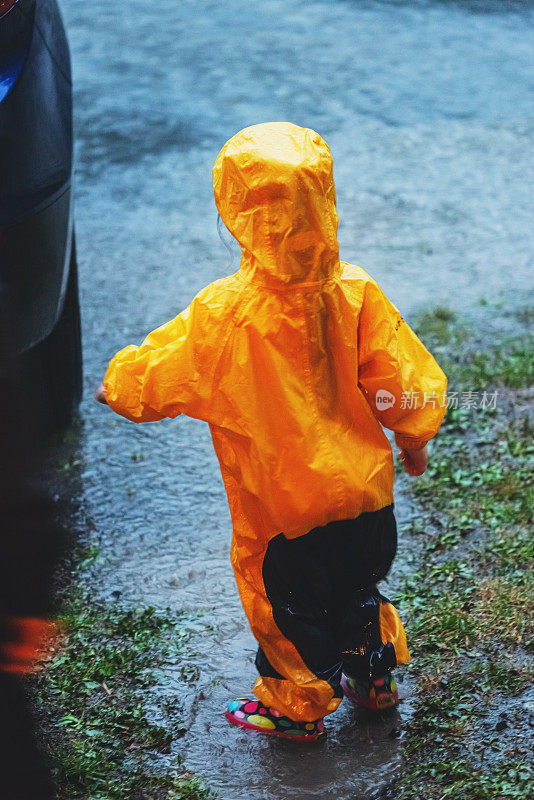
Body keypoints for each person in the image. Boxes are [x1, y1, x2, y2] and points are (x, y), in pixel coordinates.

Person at [96, 122, 447, 742]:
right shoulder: (356, 293)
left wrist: (118, 385)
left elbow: (160, 368)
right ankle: (375, 678)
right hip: (367, 497)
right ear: (324, 201)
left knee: (290, 614)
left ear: (238, 211)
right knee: (359, 588)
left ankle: (296, 704)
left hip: (285, 510)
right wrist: (413, 438)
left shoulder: (224, 314)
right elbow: (402, 372)